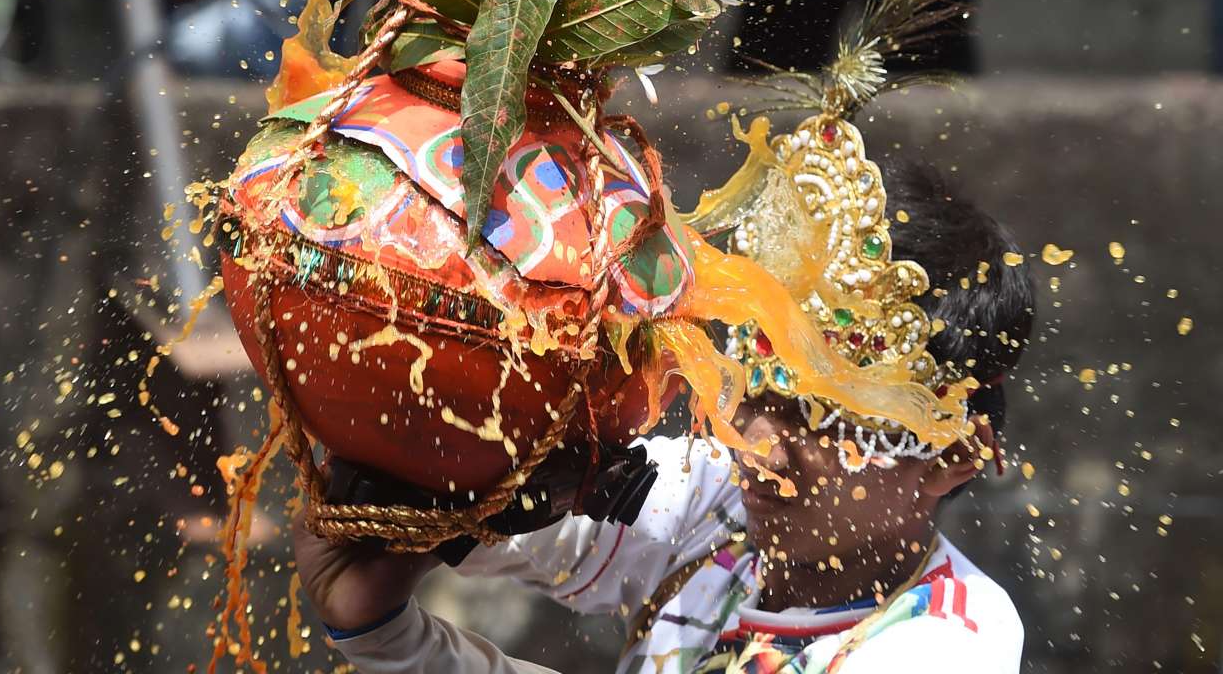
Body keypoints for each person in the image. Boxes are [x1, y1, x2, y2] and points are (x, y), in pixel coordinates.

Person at [292, 157, 1036, 674]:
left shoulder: (947, 646)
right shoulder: (717, 511)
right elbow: (466, 512)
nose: (754, 443)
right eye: (749, 385)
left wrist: (397, 646)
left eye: (819, 414)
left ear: (949, 456)